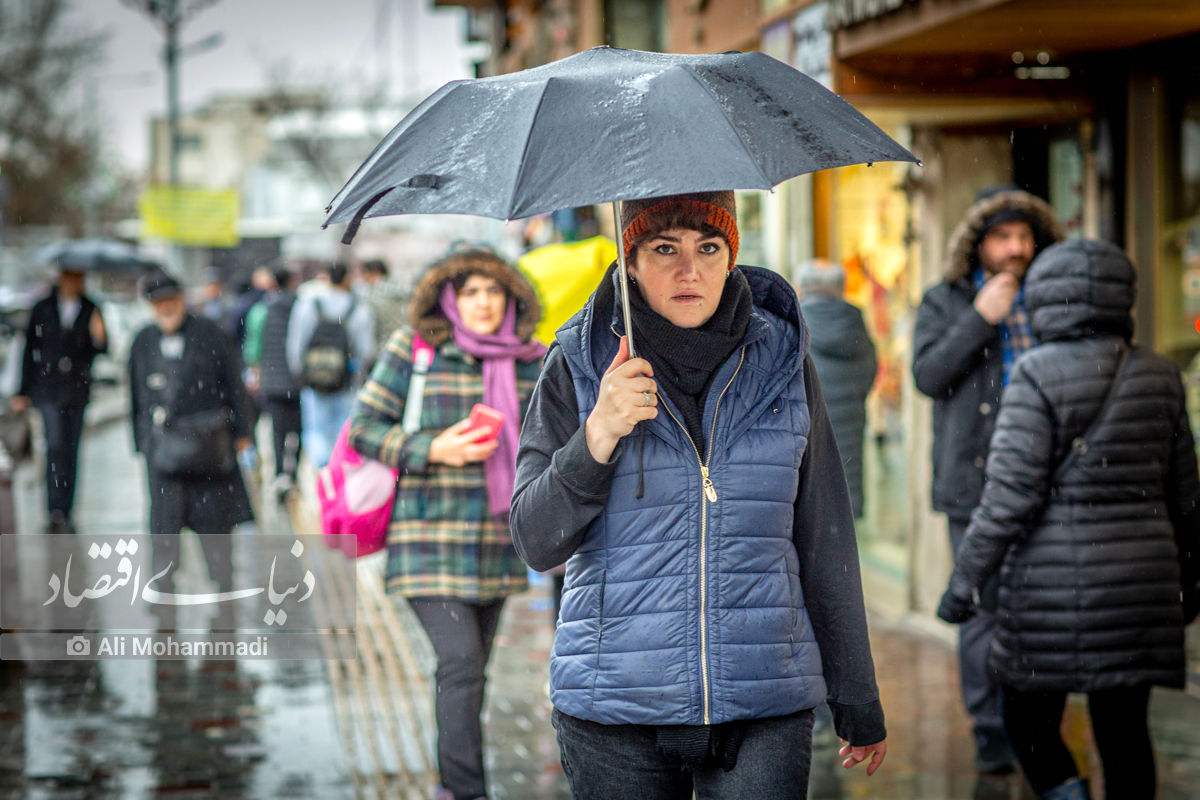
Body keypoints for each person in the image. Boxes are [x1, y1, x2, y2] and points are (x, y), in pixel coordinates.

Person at [511, 191, 887, 799]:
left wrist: (855, 692)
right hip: (615, 706)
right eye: (664, 249)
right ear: (629, 259)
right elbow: (534, 540)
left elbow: (825, 535)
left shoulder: (784, 362)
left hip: (763, 697)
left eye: (708, 248)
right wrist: (598, 433)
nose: (690, 270)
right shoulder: (577, 364)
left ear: (731, 256)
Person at [936, 239, 1200, 800]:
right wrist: (1189, 578)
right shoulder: (1159, 372)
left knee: (1028, 724)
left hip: (1049, 588)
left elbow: (1008, 497)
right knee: (1125, 731)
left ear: (1045, 300)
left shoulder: (1035, 373)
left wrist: (964, 583)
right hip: (1142, 586)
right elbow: (1186, 495)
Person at [347, 247, 545, 800]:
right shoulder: (418, 353)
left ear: (511, 297)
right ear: (449, 299)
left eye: (493, 291)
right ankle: (463, 790)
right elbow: (362, 427)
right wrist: (432, 447)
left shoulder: (533, 361)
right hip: (427, 540)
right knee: (458, 664)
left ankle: (455, 778)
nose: (483, 303)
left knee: (473, 672)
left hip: (498, 543)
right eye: (470, 292)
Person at [911, 184, 1061, 774]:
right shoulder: (945, 301)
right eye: (1003, 236)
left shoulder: (1053, 297)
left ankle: (1037, 721)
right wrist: (980, 318)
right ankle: (990, 727)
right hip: (973, 483)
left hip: (1048, 480)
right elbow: (928, 374)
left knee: (1045, 606)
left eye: (1025, 237)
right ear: (978, 244)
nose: (1016, 248)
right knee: (979, 609)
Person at [128, 272, 254, 623]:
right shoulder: (143, 341)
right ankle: (163, 590)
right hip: (163, 452)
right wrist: (142, 443)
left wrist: (243, 433)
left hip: (209, 449)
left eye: (171, 301)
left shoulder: (211, 334)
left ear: (182, 300)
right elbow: (136, 396)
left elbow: (234, 384)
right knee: (163, 525)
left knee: (215, 525)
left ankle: (224, 587)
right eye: (159, 303)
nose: (166, 308)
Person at [12, 265, 107, 533]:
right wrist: (22, 391)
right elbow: (29, 350)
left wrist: (99, 333)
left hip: (76, 391)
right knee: (54, 446)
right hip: (47, 389)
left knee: (72, 449)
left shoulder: (91, 308)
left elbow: (99, 349)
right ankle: (53, 509)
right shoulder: (42, 308)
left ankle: (67, 510)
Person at [793, 259, 877, 519]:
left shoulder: (795, 325)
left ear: (801, 288)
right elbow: (870, 373)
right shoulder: (856, 323)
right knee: (844, 511)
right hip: (851, 430)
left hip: (807, 439)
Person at [285, 262, 375, 468]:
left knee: (315, 429)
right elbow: (366, 350)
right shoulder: (359, 308)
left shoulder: (308, 305)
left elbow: (295, 343)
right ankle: (338, 471)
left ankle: (322, 471)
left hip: (314, 380)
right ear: (346, 279)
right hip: (346, 381)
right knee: (344, 429)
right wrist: (358, 377)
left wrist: (299, 373)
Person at [244, 266, 302, 503]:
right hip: (298, 380)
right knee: (299, 431)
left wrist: (255, 373)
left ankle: (279, 475)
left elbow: (253, 347)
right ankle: (293, 474)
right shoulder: (301, 306)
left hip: (272, 379)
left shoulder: (260, 311)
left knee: (277, 431)